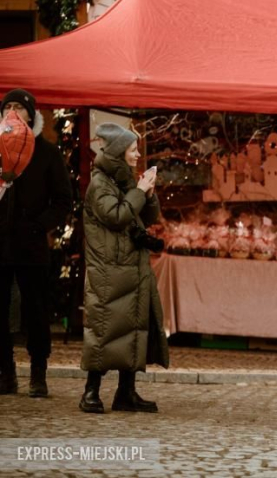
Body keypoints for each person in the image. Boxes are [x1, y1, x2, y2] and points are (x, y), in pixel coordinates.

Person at [79, 123, 169, 414]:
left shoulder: (124, 180)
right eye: (133, 150)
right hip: (109, 269)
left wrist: (148, 193)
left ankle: (126, 392)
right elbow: (115, 216)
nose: (137, 154)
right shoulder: (100, 183)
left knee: (132, 328)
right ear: (119, 153)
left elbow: (147, 215)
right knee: (105, 329)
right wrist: (139, 192)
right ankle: (90, 392)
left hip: (131, 265)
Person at [0, 89, 72, 398]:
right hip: (0, 245)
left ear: (32, 114)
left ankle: (38, 372)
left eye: (19, 106)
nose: (13, 111)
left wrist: (39, 225)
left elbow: (64, 200)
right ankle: (5, 373)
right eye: (7, 106)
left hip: (32, 246)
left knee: (36, 310)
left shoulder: (47, 152)